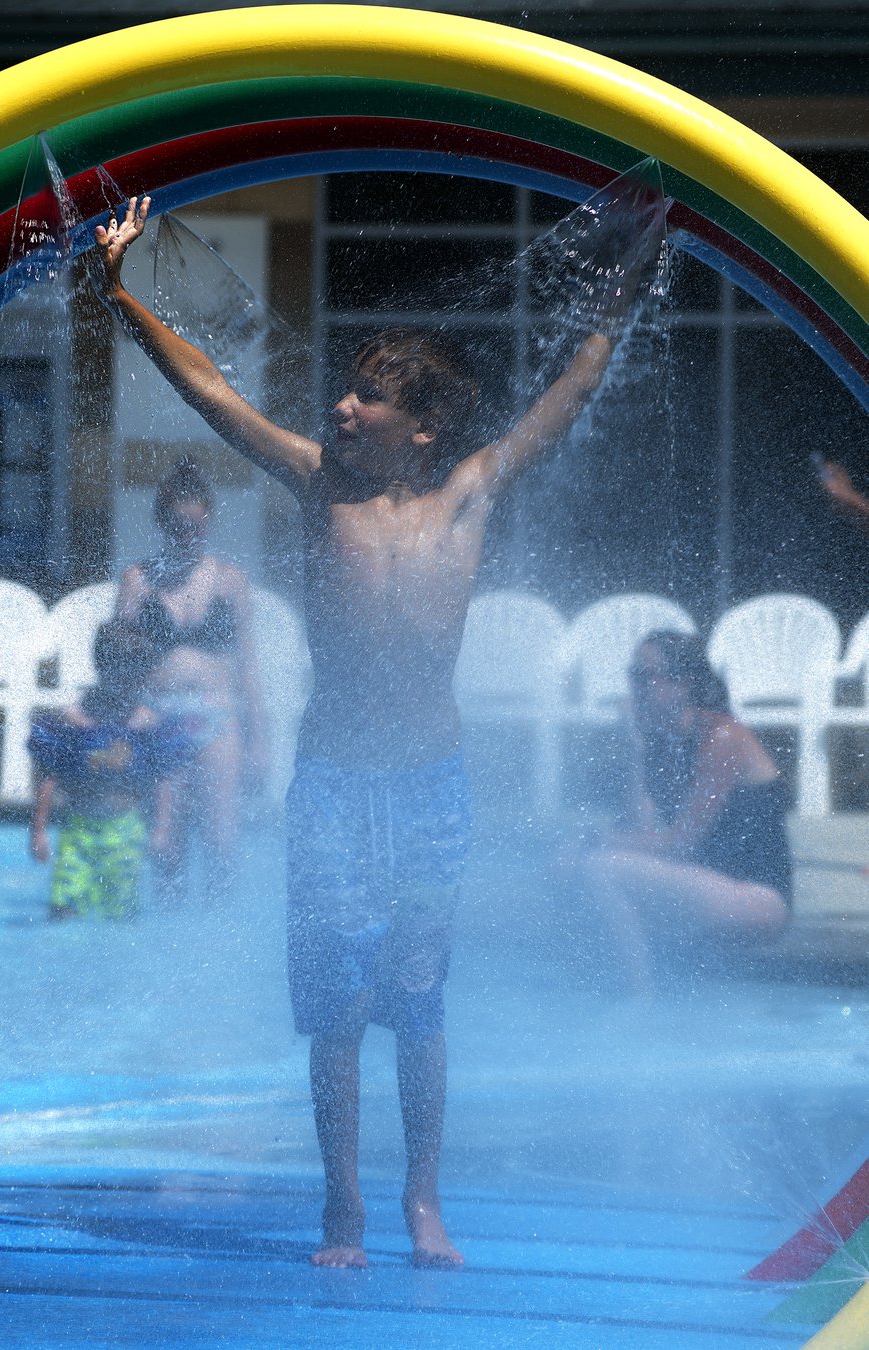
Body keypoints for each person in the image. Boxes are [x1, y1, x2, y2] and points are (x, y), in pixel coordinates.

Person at [94, 194, 641, 1270]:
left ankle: (423, 1201)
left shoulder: (472, 494)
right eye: (346, 388)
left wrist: (627, 278)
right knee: (340, 1009)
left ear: (425, 429)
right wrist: (120, 294)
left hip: (433, 787)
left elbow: (574, 384)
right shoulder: (318, 485)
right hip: (337, 788)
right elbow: (210, 391)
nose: (340, 406)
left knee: (421, 997)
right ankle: (343, 1209)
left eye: (368, 398)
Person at [577, 631, 791, 997]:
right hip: (706, 884)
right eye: (633, 676)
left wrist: (598, 840)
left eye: (646, 676)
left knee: (602, 867)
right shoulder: (662, 741)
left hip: (759, 901)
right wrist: (636, 747)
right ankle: (622, 990)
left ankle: (640, 1000)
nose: (636, 687)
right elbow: (643, 830)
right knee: (569, 871)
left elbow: (680, 843)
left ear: (682, 685)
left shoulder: (722, 737)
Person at [114, 456, 268, 904]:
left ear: (209, 522)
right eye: (180, 527)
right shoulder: (138, 582)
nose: (189, 536)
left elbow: (248, 667)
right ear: (163, 523)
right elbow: (117, 662)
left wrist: (259, 742)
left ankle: (216, 938)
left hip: (217, 717)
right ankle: (167, 949)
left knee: (222, 841)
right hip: (158, 718)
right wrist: (121, 725)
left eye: (197, 527)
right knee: (168, 843)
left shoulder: (228, 581)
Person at [29, 620, 192, 920]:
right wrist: (38, 831)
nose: (123, 682)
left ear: (142, 675)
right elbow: (50, 775)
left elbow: (165, 779)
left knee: (121, 915)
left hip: (126, 830)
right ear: (100, 666)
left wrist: (163, 828)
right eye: (116, 672)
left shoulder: (148, 724)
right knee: (62, 910)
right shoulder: (74, 720)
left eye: (132, 675)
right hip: (78, 830)